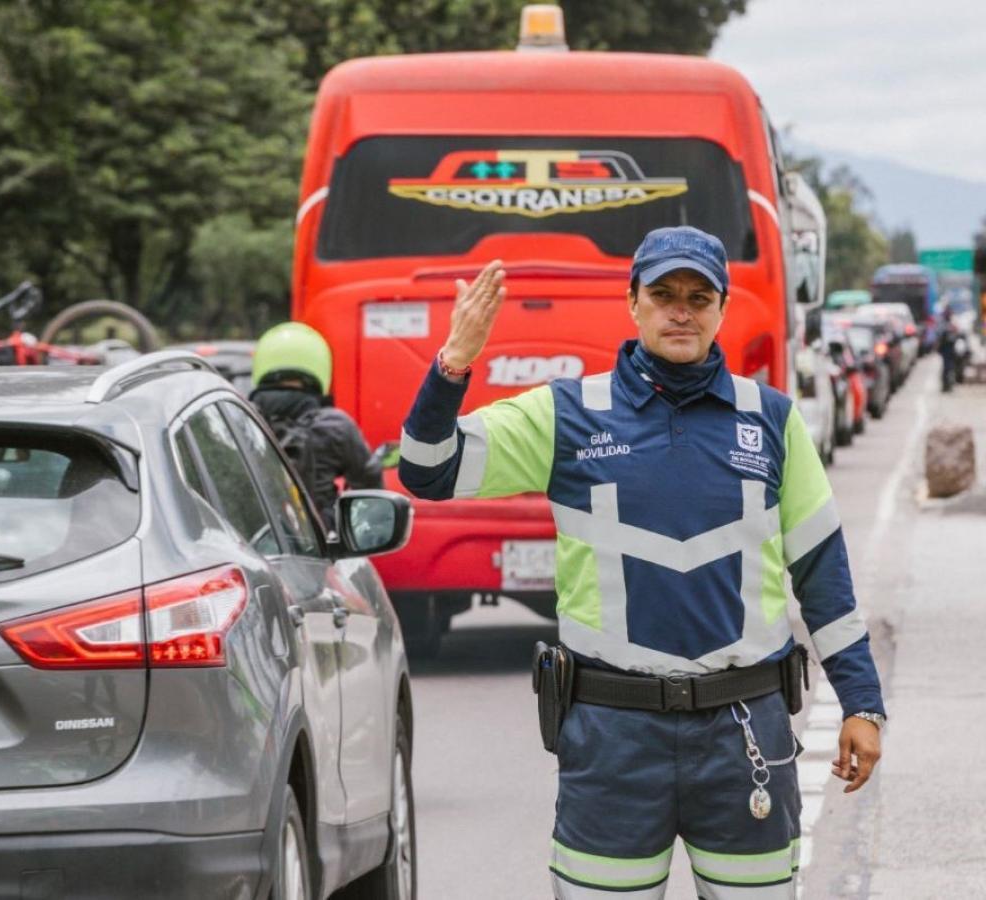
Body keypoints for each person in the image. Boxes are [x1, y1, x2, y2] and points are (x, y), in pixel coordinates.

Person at [398, 226, 885, 898]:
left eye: (698, 296)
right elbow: (426, 471)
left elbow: (823, 572)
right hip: (613, 738)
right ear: (633, 302)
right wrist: (456, 359)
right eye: (663, 294)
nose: (680, 310)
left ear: (723, 307)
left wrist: (863, 702)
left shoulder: (770, 420)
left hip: (743, 733)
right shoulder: (567, 413)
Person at [250, 322, 383, 531]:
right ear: (320, 367)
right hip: (317, 550)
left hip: (247, 547)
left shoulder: (239, 419)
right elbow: (371, 487)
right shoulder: (336, 426)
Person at [937, 306, 960, 393]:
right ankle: (945, 385)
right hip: (945, 348)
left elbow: (957, 332)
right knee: (946, 366)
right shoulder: (942, 323)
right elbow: (939, 333)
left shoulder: (952, 322)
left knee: (951, 366)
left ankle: (950, 383)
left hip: (951, 347)